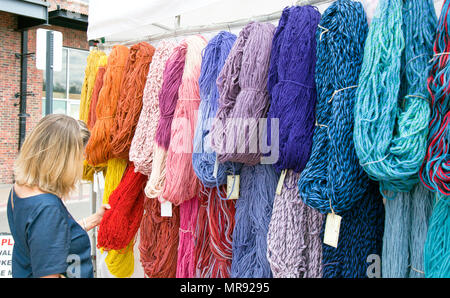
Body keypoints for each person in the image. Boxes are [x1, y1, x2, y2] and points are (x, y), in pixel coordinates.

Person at [7, 114, 110, 278]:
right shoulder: (47, 208)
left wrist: (94, 220)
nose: (83, 160)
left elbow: (50, 237)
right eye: (80, 155)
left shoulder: (20, 189)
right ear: (62, 160)